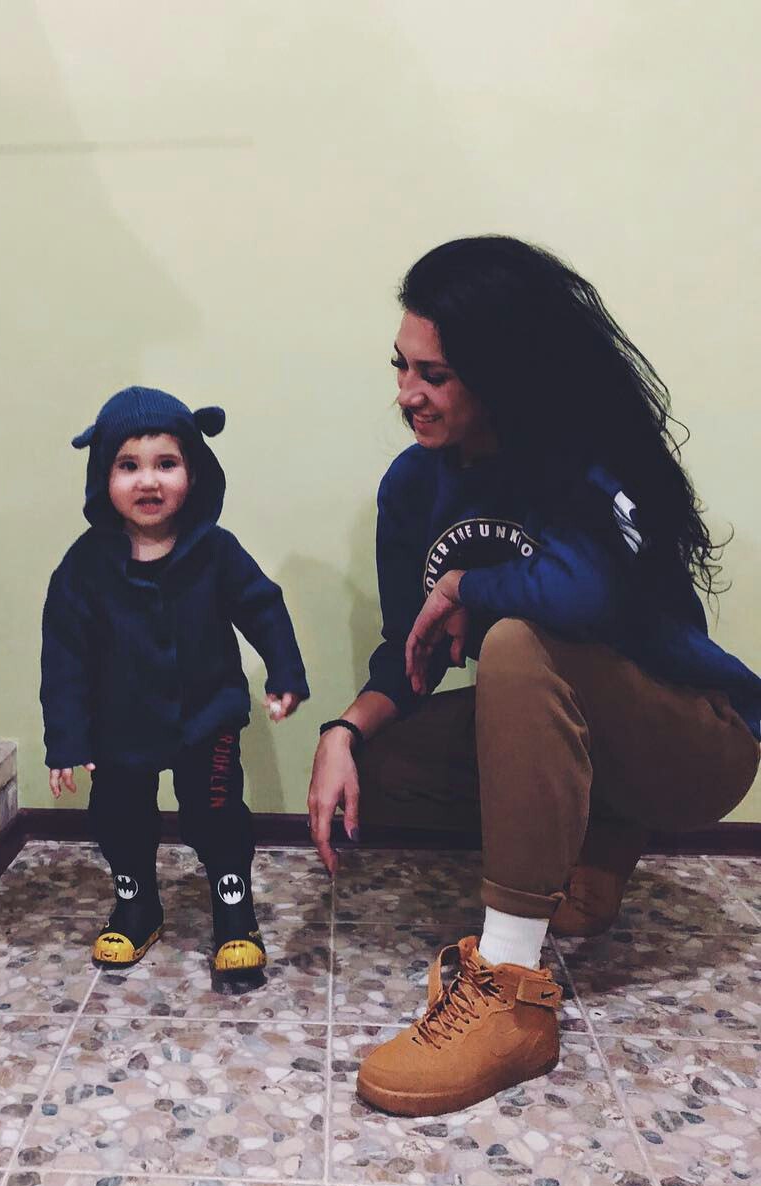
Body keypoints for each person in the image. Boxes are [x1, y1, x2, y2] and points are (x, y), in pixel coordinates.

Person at [306, 235, 761, 1116]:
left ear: (500, 373)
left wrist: (468, 586)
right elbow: (412, 652)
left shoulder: (588, 461)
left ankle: (512, 992)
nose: (406, 394)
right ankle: (594, 854)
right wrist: (344, 731)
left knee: (519, 640)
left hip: (694, 741)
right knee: (384, 767)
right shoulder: (413, 487)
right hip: (581, 727)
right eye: (401, 366)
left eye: (435, 375)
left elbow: (589, 594)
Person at [41, 386, 309, 974]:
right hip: (118, 726)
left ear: (194, 470)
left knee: (216, 812)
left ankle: (233, 907)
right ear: (103, 476)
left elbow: (262, 606)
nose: (148, 481)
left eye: (166, 463)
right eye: (127, 466)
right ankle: (136, 903)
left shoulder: (216, 551)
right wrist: (65, 739)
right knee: (119, 816)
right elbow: (64, 657)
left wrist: (285, 671)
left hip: (207, 718)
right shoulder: (83, 568)